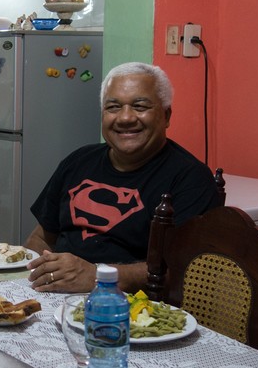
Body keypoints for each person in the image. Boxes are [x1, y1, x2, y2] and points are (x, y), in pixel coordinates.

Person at [25, 62, 221, 294]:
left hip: (133, 307)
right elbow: (41, 238)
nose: (125, 118)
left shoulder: (191, 179)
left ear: (166, 115)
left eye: (140, 106)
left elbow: (186, 271)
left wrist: (97, 276)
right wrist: (38, 274)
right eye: (113, 107)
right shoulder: (78, 161)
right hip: (59, 296)